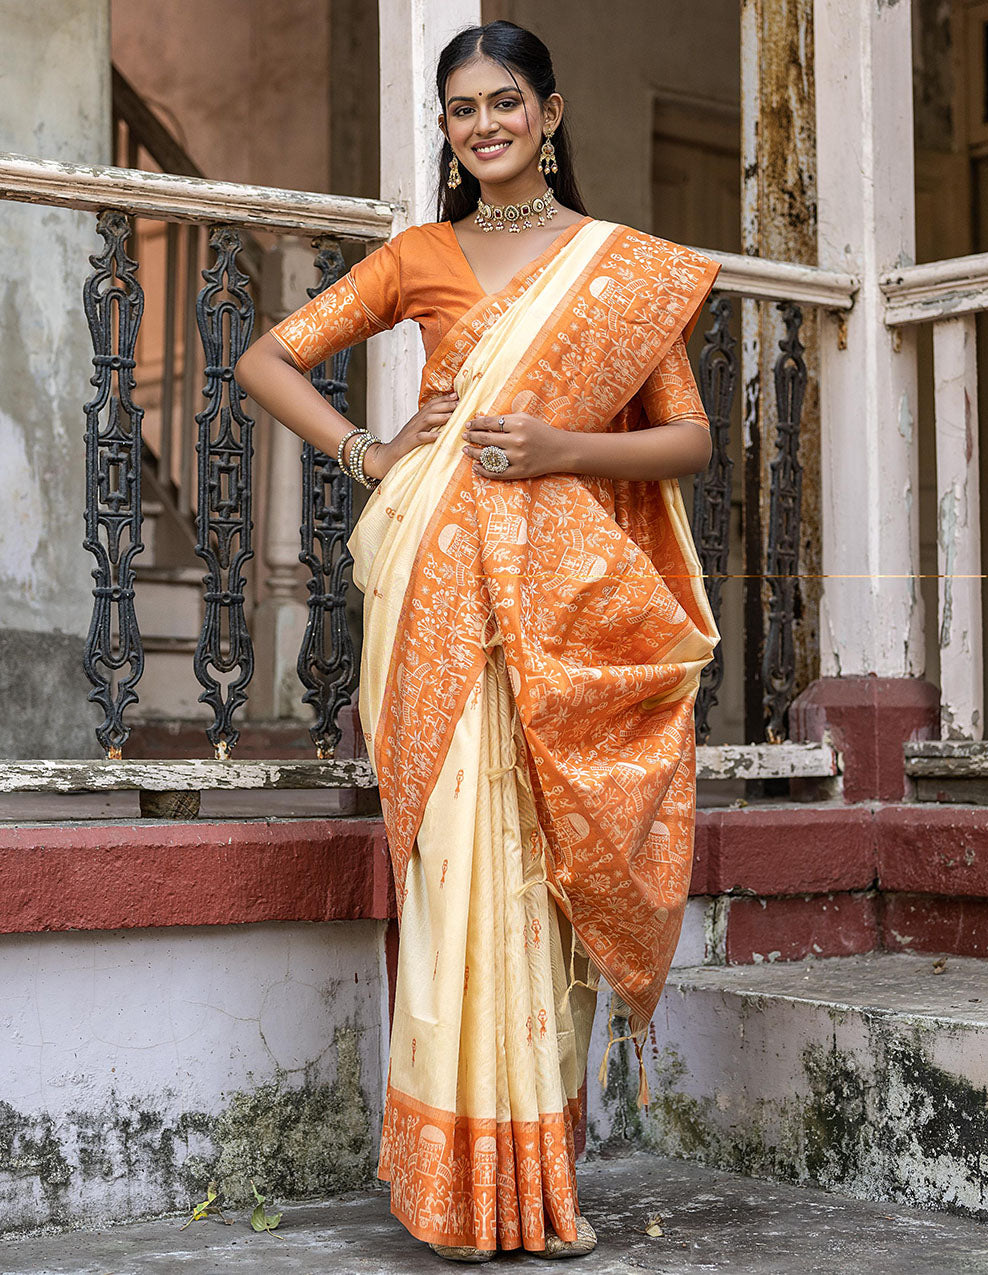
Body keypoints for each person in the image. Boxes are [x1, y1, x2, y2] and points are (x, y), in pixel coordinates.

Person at [236, 19, 720, 1264]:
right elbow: (266, 356)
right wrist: (369, 448)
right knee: (457, 873)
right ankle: (454, 1190)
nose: (486, 125)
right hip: (433, 587)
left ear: (550, 113)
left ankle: (534, 1182)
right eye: (463, 110)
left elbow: (687, 443)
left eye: (506, 102)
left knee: (536, 877)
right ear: (447, 132)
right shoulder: (418, 256)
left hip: (557, 605)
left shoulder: (617, 267)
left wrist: (564, 451)